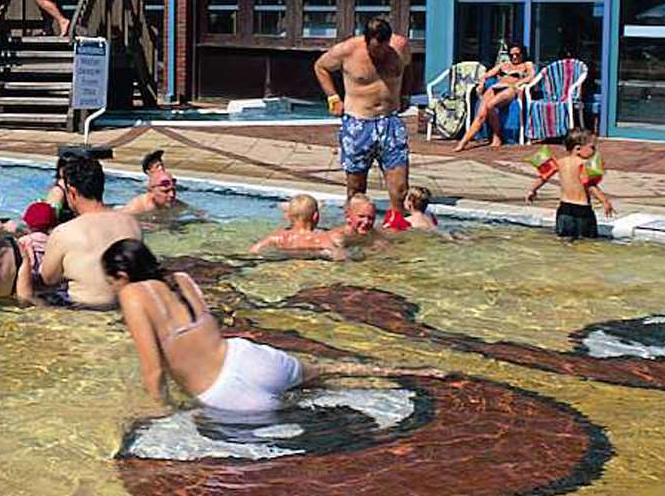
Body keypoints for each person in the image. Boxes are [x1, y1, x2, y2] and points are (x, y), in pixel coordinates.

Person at [105, 239, 439, 413]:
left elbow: (154, 373)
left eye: (112, 283)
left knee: (319, 410)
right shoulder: (181, 278)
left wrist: (161, 411)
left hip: (225, 394)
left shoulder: (133, 295)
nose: (113, 290)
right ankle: (415, 372)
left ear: (122, 275)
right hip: (249, 357)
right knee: (326, 372)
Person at [314, 17, 410, 216]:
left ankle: (398, 231)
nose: (380, 54)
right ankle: (354, 230)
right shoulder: (347, 50)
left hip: (390, 122)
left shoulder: (400, 47)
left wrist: (405, 93)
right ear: (366, 41)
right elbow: (320, 67)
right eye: (375, 49)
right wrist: (333, 98)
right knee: (356, 188)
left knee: (400, 189)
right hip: (358, 124)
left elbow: (407, 69)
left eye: (384, 48)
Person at [37, 154, 141, 308]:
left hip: (82, 314)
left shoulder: (65, 232)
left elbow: (48, 279)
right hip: (126, 309)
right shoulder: (131, 223)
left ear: (71, 192)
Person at [527, 130, 615, 239]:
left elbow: (544, 177)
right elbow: (590, 186)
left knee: (565, 240)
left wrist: (532, 190)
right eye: (592, 147)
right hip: (582, 211)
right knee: (587, 242)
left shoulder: (560, 162)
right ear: (578, 149)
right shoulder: (583, 164)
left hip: (564, 209)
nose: (595, 151)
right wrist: (604, 201)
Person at [456, 42, 537, 152]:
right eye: (511, 54)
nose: (514, 57)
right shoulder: (504, 65)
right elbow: (486, 75)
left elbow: (532, 76)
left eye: (517, 54)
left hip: (511, 88)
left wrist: (519, 83)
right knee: (480, 115)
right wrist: (481, 83)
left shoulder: (527, 64)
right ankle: (463, 142)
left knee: (491, 105)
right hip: (495, 88)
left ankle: (497, 135)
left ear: (522, 54)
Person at [249, 194, 347, 256]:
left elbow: (254, 250)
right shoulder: (322, 238)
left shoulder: (278, 237)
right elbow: (339, 256)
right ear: (316, 216)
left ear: (287, 216)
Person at [123, 149, 187, 217]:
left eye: (162, 165)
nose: (161, 168)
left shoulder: (175, 203)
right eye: (157, 166)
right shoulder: (137, 206)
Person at [15, 200, 58, 288]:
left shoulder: (23, 241)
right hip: (50, 282)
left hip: (28, 281)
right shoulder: (54, 242)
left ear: (27, 223)